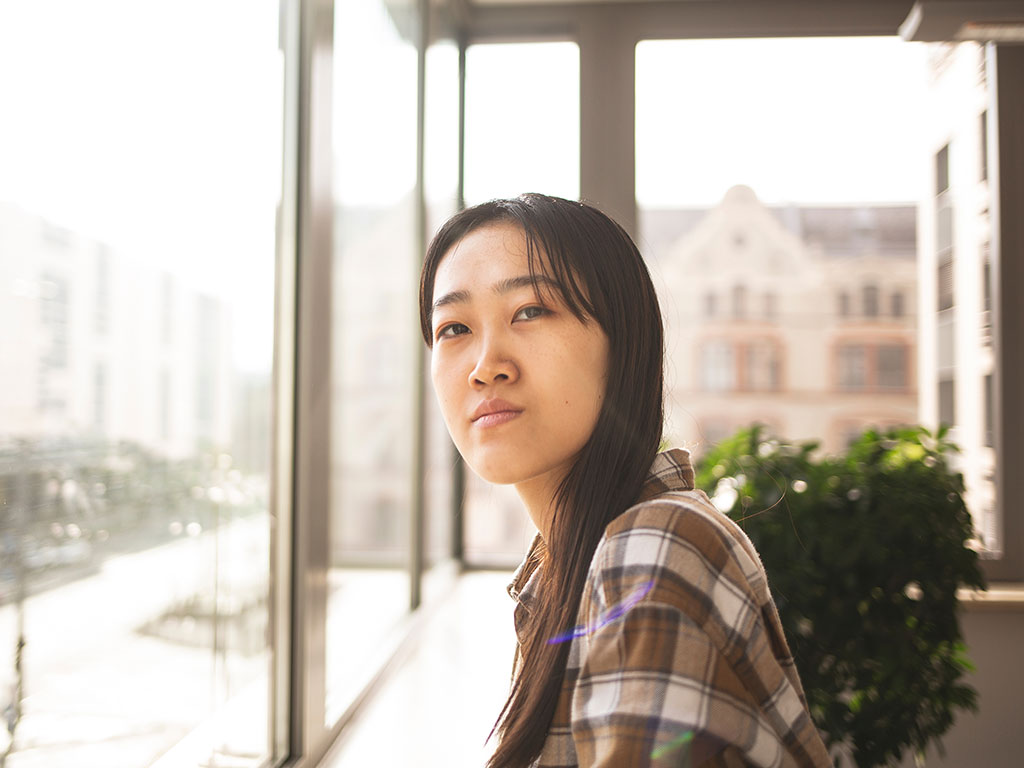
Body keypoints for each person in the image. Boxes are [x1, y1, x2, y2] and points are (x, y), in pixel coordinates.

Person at [418, 194, 830, 768]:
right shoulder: (563, 571)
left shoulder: (655, 546)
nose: (486, 364)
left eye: (531, 310)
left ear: (623, 341)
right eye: (454, 327)